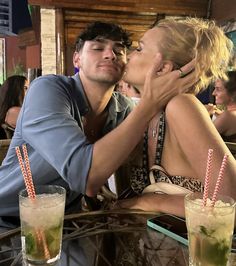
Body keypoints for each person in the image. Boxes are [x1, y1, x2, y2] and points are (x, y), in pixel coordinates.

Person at [0, 21, 195, 226]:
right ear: (77, 58)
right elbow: (86, 176)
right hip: (8, 219)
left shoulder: (124, 109)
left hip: (67, 222)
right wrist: (150, 103)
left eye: (119, 50)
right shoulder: (47, 90)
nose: (110, 54)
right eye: (98, 48)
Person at [116, 17, 236, 217]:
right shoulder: (145, 113)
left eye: (140, 49)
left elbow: (229, 200)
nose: (129, 55)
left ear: (163, 68)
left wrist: (152, 201)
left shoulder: (180, 105)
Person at [206, 71, 236, 142]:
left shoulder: (228, 116)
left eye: (218, 89)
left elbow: (200, 139)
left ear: (234, 94)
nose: (213, 93)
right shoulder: (230, 114)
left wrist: (204, 114)